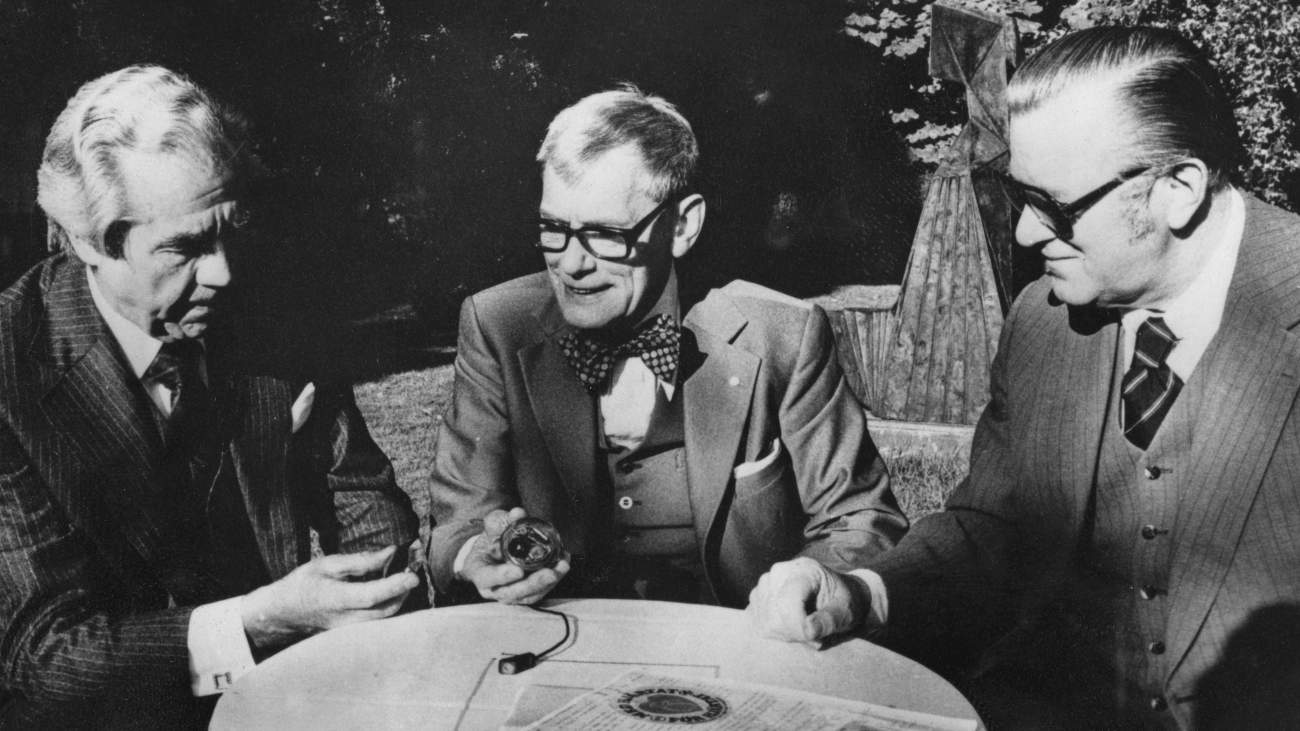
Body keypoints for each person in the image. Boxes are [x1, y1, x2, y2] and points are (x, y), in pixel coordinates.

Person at [747, 26, 1300, 729]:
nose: (1027, 234)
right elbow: (994, 532)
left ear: (1179, 189)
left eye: (1057, 207)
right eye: (1018, 197)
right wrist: (859, 593)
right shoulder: (1043, 320)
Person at [0, 65, 421, 727]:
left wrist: (383, 597)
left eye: (231, 230)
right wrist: (259, 620)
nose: (224, 272)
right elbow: (47, 659)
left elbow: (363, 498)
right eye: (186, 247)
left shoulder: (272, 306)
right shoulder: (10, 374)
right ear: (87, 241)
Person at [427, 85, 905, 608]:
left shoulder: (781, 335)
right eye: (553, 228)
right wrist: (474, 553)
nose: (571, 263)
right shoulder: (498, 325)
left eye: (606, 234)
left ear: (682, 227)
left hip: (735, 636)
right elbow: (461, 517)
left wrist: (806, 589)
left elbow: (860, 520)